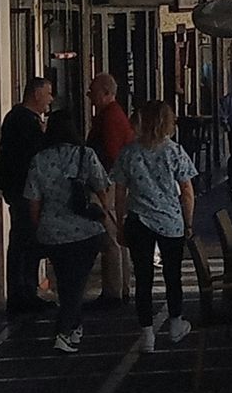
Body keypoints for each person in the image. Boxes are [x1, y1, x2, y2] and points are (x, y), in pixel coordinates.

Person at [112, 101, 198, 353]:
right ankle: (175, 323)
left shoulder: (128, 153)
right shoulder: (174, 151)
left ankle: (147, 334)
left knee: (144, 278)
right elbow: (187, 191)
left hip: (138, 220)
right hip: (170, 221)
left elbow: (119, 193)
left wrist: (120, 223)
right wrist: (188, 221)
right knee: (173, 275)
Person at [23, 109, 111, 352]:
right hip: (86, 231)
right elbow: (103, 189)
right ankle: (62, 332)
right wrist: (107, 213)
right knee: (78, 282)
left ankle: (75, 326)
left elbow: (33, 201)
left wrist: (38, 227)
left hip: (52, 231)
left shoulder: (39, 160)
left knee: (65, 281)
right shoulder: (86, 155)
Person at [0, 77, 54, 313]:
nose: (50, 98)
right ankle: (22, 293)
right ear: (36, 94)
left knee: (25, 240)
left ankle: (25, 291)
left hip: (21, 190)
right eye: (48, 93)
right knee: (24, 241)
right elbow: (32, 155)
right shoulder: (23, 121)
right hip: (23, 192)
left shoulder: (18, 118)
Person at [85, 73, 134, 309]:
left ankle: (114, 291)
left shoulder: (110, 118)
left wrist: (102, 186)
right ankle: (119, 288)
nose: (89, 96)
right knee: (115, 236)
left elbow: (111, 156)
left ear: (105, 93)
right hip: (111, 182)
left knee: (110, 238)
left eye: (93, 91)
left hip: (107, 183)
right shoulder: (111, 115)